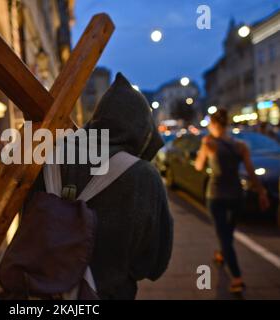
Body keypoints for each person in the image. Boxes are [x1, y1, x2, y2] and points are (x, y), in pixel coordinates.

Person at [26, 73, 173, 299]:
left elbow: (29, 220)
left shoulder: (49, 158)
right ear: (143, 132)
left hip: (40, 292)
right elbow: (154, 263)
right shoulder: (144, 177)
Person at [194, 109, 270, 293]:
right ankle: (221, 254)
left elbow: (198, 166)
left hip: (217, 195)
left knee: (225, 236)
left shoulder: (209, 142)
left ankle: (237, 277)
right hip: (237, 195)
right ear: (227, 125)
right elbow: (251, 172)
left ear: (212, 125)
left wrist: (203, 155)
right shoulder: (241, 146)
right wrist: (261, 192)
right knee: (227, 232)